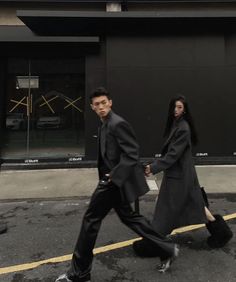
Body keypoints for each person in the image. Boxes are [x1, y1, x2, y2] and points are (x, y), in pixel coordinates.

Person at [55, 87, 179, 282]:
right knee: (130, 218)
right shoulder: (104, 124)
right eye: (97, 104)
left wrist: (113, 176)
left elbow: (132, 153)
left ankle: (80, 273)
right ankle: (167, 248)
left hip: (112, 181)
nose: (101, 107)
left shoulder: (117, 123)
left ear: (110, 102)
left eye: (104, 103)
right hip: (113, 181)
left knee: (90, 221)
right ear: (92, 107)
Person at [133, 95, 233, 257]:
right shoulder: (178, 124)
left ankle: (154, 244)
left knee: (165, 209)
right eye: (174, 107)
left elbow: (173, 155)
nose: (176, 110)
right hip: (182, 173)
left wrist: (153, 167)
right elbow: (172, 154)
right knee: (197, 204)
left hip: (179, 176)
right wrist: (155, 164)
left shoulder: (183, 128)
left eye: (179, 107)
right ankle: (221, 233)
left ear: (185, 109)